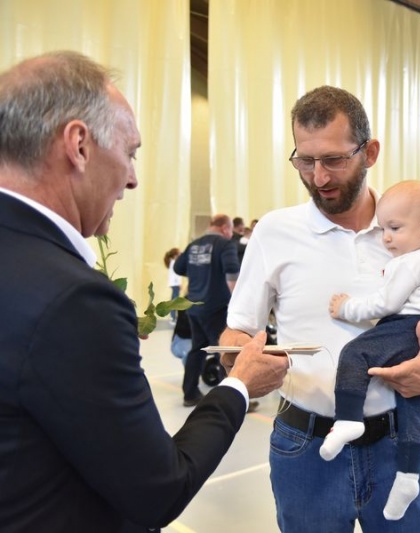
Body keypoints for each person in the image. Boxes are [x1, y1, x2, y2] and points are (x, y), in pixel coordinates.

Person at [0, 50, 288, 531]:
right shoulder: (74, 301)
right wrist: (240, 384)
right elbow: (159, 489)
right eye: (130, 153)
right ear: (79, 145)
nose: (132, 180)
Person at [218, 85, 420, 532]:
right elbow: (237, 331)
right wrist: (240, 362)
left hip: (399, 443)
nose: (319, 177)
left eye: (334, 160)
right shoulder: (275, 232)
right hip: (307, 448)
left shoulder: (417, 229)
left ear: (370, 152)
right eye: (305, 161)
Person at [323, 180, 420, 520]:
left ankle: (348, 420)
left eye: (395, 229)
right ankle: (408, 476)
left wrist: (346, 307)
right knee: (412, 408)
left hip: (409, 328)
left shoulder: (411, 261)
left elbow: (387, 302)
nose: (386, 238)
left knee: (355, 354)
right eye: (383, 229)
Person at [174, 214, 252, 409]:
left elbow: (178, 267)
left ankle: (190, 393)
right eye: (231, 230)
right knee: (224, 353)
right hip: (216, 307)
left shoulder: (194, 245)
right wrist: (237, 300)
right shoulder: (225, 244)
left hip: (194, 307)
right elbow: (232, 270)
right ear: (225, 228)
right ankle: (231, 400)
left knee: (198, 349)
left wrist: (199, 272)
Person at [164, 247, 181, 323]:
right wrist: (179, 284)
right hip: (175, 284)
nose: (180, 255)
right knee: (175, 301)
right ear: (175, 255)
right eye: (179, 254)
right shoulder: (174, 263)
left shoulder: (172, 262)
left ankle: (173, 317)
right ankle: (173, 318)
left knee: (174, 300)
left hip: (174, 284)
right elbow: (176, 275)